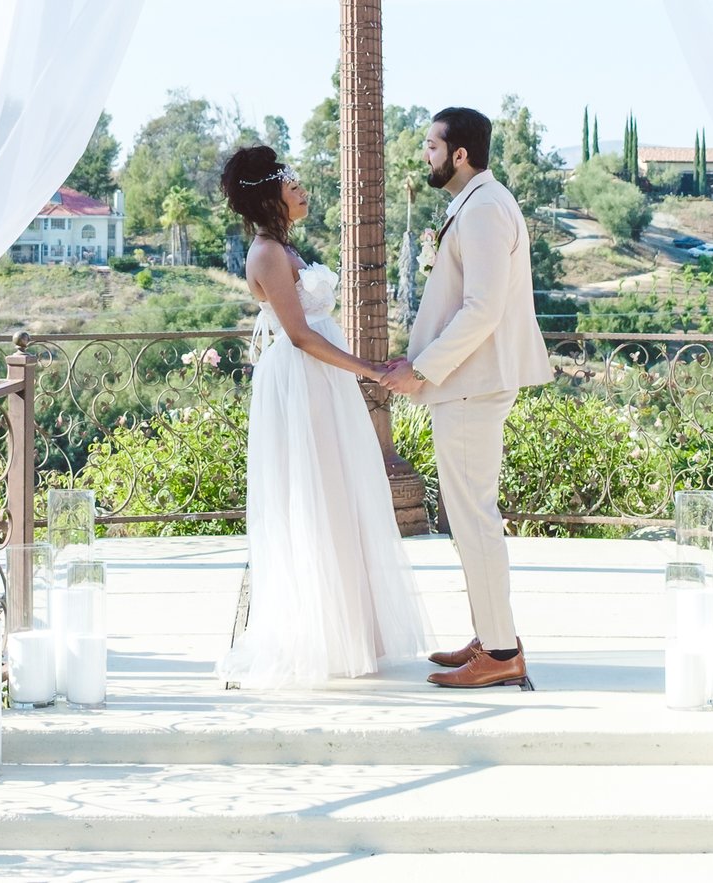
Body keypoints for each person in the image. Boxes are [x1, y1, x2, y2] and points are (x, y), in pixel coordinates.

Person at [215, 145, 425, 688]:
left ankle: (350, 629)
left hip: (322, 384)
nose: (302, 189)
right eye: (291, 182)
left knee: (340, 490)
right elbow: (301, 336)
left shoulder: (284, 248)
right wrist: (370, 369)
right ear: (269, 194)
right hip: (303, 384)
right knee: (315, 493)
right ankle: (317, 631)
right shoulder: (266, 254)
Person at [379, 106, 552, 690]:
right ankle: (490, 633)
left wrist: (422, 370)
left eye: (431, 145)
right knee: (469, 515)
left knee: (474, 518)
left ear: (459, 154)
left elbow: (483, 308)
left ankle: (501, 651)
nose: (423, 154)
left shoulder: (483, 209)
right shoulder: (478, 203)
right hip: (467, 385)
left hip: (470, 386)